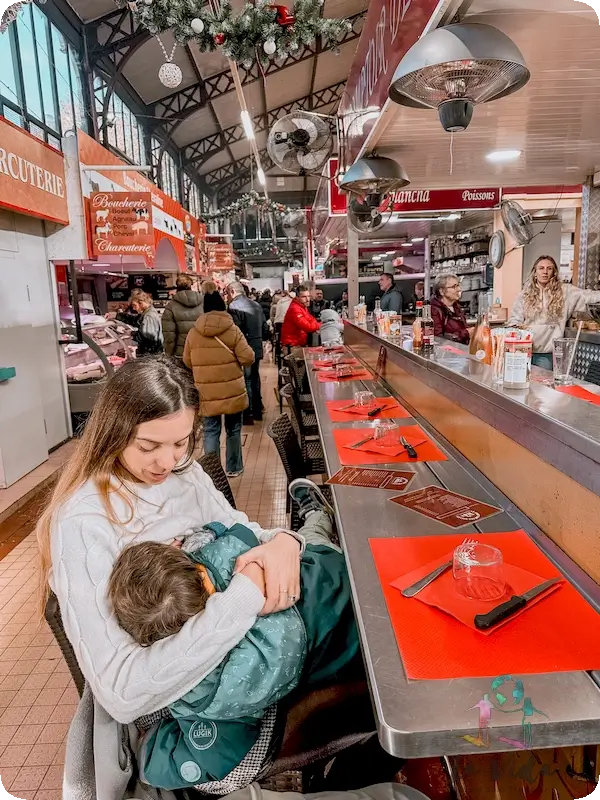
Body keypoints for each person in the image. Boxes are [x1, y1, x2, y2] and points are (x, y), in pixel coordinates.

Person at [37, 356, 324, 798]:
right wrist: (243, 597)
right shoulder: (83, 522)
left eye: (180, 442)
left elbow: (242, 529)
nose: (167, 462)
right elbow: (123, 693)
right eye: (149, 445)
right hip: (184, 702)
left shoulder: (186, 474)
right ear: (114, 431)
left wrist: (285, 542)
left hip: (241, 649)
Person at [109, 483, 359, 791]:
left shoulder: (211, 691)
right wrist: (203, 538)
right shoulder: (222, 552)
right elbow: (235, 531)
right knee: (313, 538)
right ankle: (317, 515)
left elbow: (212, 755)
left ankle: (318, 519)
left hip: (350, 642)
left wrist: (148, 759)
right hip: (325, 567)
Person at [183, 282, 253, 477]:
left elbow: (187, 361)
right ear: (223, 307)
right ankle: (234, 467)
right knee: (233, 430)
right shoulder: (233, 330)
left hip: (206, 392)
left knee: (210, 431)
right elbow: (248, 358)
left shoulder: (193, 333)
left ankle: (212, 473)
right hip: (232, 391)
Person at [508, 255, 600, 370]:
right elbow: (515, 321)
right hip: (524, 352)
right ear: (535, 272)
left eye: (549, 268)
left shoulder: (565, 292)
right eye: (541, 268)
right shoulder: (524, 294)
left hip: (546, 354)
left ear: (554, 272)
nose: (545, 272)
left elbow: (589, 296)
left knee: (543, 381)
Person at [227, 281, 268, 425]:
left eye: (227, 293)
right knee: (255, 378)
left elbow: (235, 331)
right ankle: (258, 410)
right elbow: (264, 327)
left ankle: (248, 414)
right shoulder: (256, 305)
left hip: (244, 348)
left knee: (247, 380)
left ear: (232, 291)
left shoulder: (233, 307)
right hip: (256, 346)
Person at [161, 274, 203, 358]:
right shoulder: (204, 302)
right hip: (202, 349)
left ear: (177, 286)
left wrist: (169, 353)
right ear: (191, 285)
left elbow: (169, 335)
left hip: (181, 352)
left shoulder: (171, 306)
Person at [430, 273, 470, 345]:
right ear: (442, 291)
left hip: (461, 350)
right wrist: (466, 333)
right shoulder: (434, 310)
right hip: (446, 352)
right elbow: (437, 339)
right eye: (454, 287)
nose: (459, 289)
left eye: (458, 285)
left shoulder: (457, 308)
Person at [281, 284, 321, 348]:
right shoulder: (295, 309)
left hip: (298, 343)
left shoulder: (302, 307)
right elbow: (308, 327)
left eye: (308, 296)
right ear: (297, 297)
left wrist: (314, 323)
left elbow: (311, 320)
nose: (307, 299)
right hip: (292, 345)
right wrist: (320, 325)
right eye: (304, 297)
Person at [130, 291, 164, 356]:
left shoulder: (149, 316)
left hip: (150, 354)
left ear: (141, 304)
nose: (133, 308)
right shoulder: (149, 313)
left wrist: (132, 335)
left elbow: (147, 337)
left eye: (134, 305)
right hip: (153, 353)